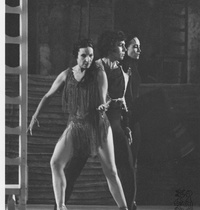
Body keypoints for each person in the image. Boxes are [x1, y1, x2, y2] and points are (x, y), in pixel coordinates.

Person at [28, 38, 128, 210]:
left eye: (91, 55)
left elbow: (104, 98)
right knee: (55, 163)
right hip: (76, 126)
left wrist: (104, 104)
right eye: (84, 55)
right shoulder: (66, 74)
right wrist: (35, 115)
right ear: (76, 56)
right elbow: (48, 96)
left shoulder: (99, 73)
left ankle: (124, 208)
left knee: (111, 172)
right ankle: (60, 206)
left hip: (98, 125)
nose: (88, 59)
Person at [95, 30, 136, 210]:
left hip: (116, 123)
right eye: (120, 45)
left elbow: (125, 101)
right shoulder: (96, 67)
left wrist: (126, 126)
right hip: (98, 122)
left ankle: (129, 205)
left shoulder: (122, 71)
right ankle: (59, 204)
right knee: (75, 163)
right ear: (111, 47)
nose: (123, 49)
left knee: (126, 165)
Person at [121, 34, 142, 167]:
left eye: (139, 47)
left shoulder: (133, 66)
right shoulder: (126, 67)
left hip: (134, 114)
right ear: (125, 48)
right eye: (135, 47)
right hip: (128, 116)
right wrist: (127, 121)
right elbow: (126, 96)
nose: (139, 50)